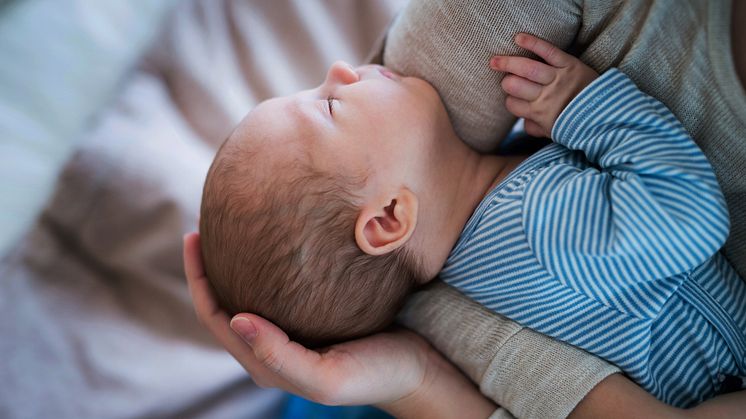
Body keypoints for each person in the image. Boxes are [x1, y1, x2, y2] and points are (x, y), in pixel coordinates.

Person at [186, 1, 746, 417]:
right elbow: (691, 214)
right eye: (330, 106)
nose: (341, 69)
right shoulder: (534, 223)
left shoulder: (461, 279)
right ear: (387, 218)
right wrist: (584, 108)